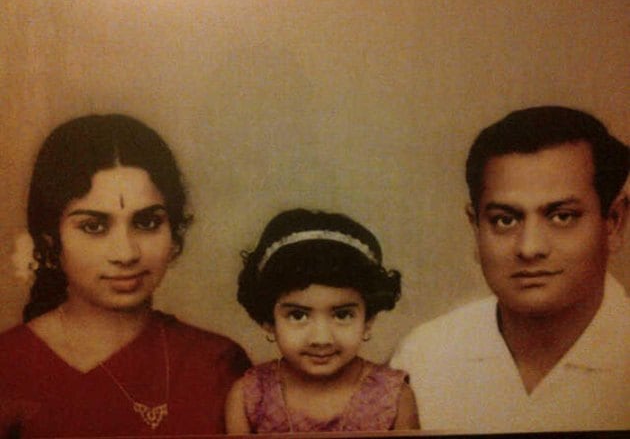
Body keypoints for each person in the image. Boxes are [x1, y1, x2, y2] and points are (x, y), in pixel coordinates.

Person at [0, 114, 251, 437]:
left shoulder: (217, 363)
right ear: (51, 241)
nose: (126, 253)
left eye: (147, 223)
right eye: (94, 226)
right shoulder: (10, 366)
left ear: (175, 235)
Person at [391, 106, 629, 433]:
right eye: (505, 220)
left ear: (614, 223)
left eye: (562, 216)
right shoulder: (423, 357)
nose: (529, 248)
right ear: (475, 227)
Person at [225, 209, 419, 433]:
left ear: (368, 320)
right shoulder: (248, 397)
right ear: (268, 321)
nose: (321, 338)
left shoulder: (395, 398)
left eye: (342, 315)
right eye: (298, 315)